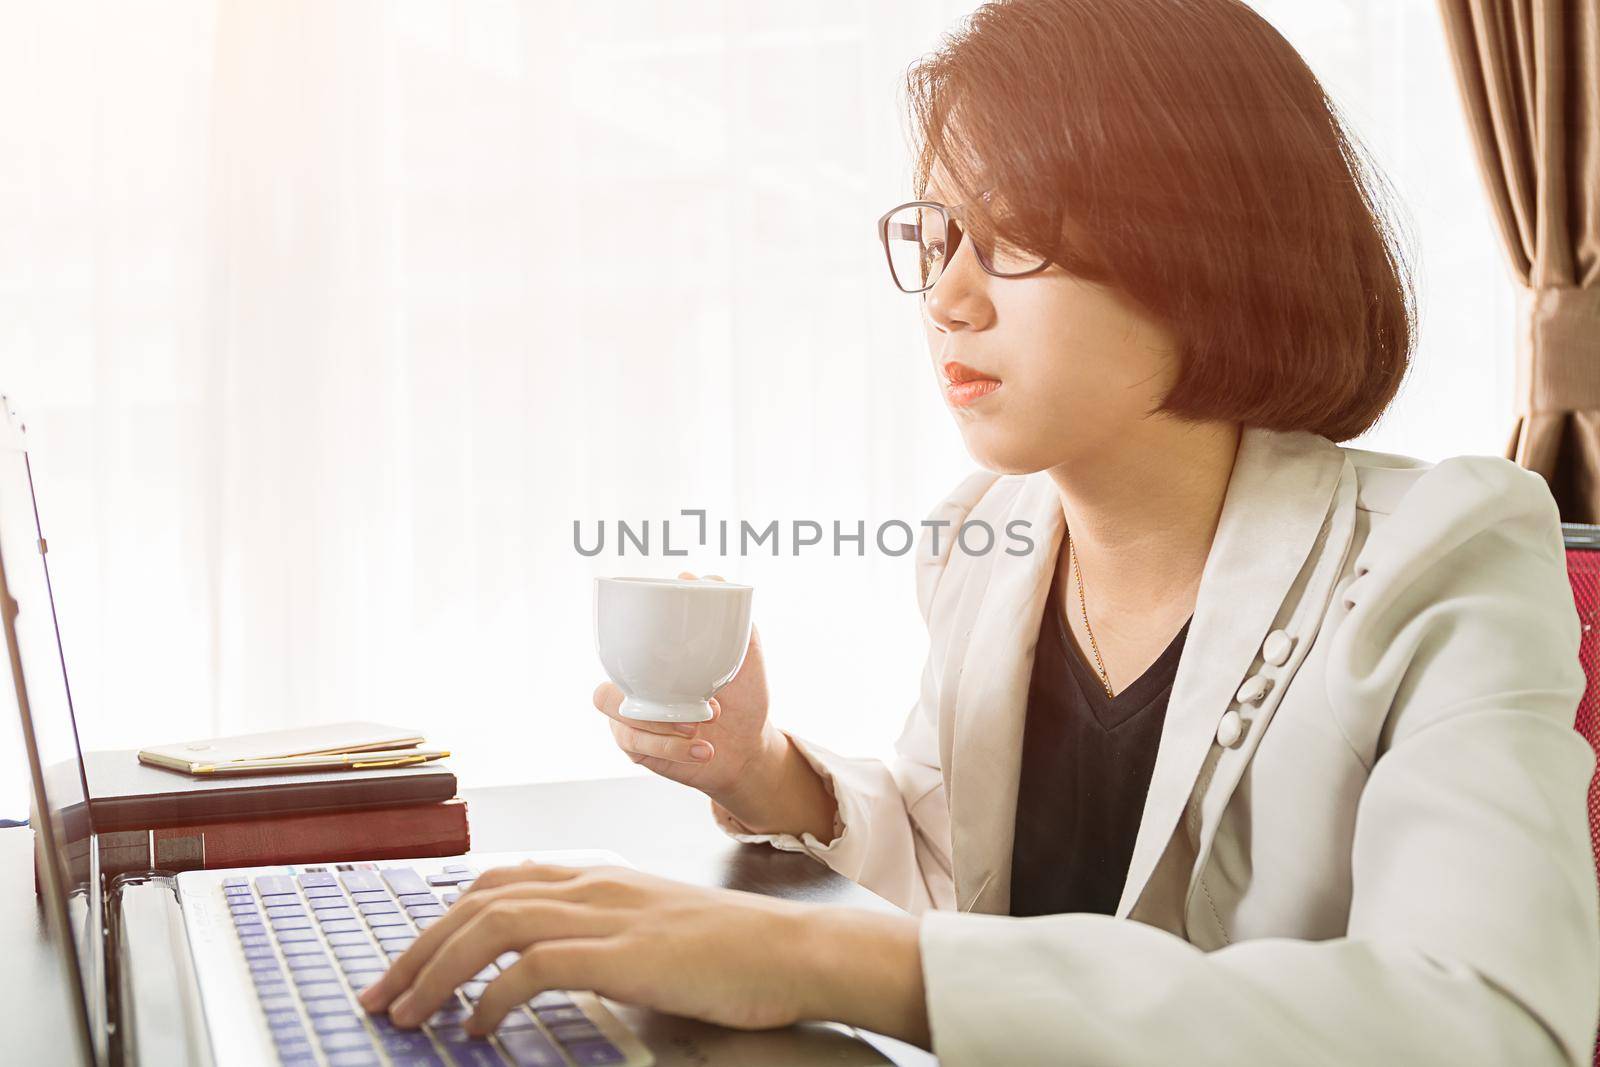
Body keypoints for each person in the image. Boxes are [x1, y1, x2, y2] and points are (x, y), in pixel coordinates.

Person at [360, 0, 1600, 1062]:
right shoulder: (984, 541)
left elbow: (1487, 1018)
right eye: (936, 233)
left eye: (1010, 240)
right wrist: (761, 769)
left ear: (1207, 247)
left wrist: (830, 957)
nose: (947, 297)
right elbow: (972, 884)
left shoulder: (1444, 549)